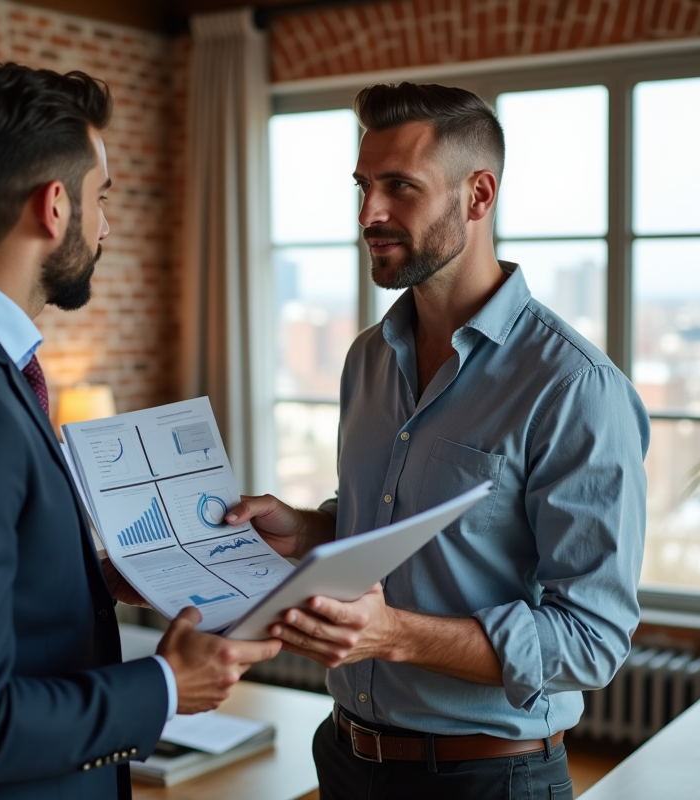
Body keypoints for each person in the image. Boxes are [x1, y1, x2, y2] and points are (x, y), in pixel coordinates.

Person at [0, 62, 279, 800]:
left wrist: (92, 576)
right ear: (53, 206)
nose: (107, 226)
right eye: (102, 200)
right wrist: (166, 684)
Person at [227, 83, 650, 799]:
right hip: (343, 756)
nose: (369, 214)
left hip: (487, 778)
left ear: (478, 195)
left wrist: (392, 634)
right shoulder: (367, 356)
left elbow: (592, 640)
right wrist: (307, 529)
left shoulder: (574, 387)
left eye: (399, 187)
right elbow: (393, 520)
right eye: (363, 186)